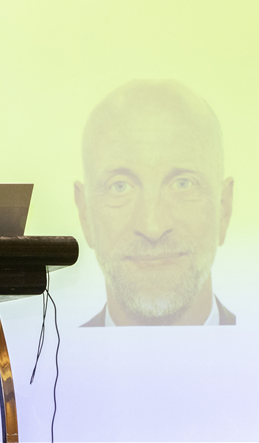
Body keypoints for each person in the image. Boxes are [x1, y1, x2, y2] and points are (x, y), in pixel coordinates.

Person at [74, 80, 235, 326]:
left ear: (223, 208)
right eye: (120, 186)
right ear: (85, 215)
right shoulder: (52, 349)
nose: (153, 227)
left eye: (183, 184)